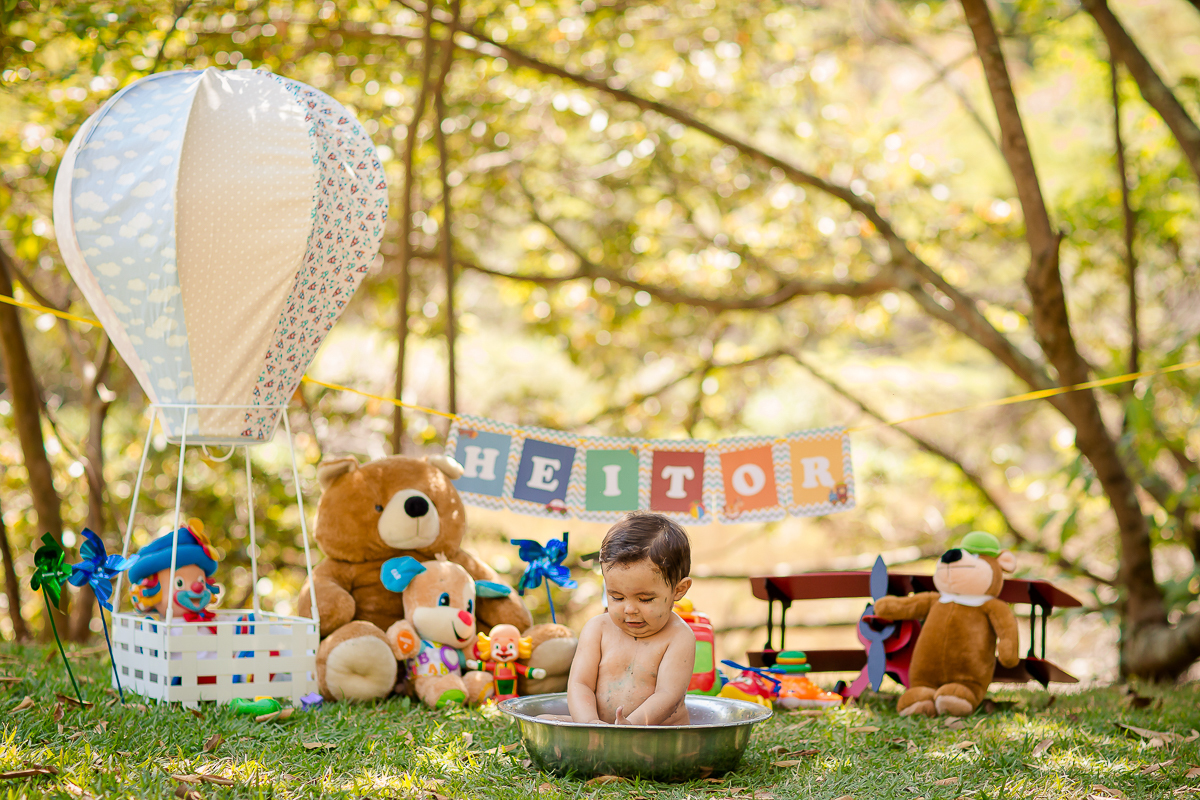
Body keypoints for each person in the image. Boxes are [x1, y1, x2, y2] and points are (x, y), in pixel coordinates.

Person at [547, 512, 696, 725]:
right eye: (616, 596)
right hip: (599, 727)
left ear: (679, 590)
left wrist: (630, 726)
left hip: (656, 734)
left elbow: (668, 695)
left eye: (645, 599)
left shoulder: (679, 636)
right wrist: (589, 723)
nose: (629, 609)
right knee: (545, 720)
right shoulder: (597, 629)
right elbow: (580, 684)